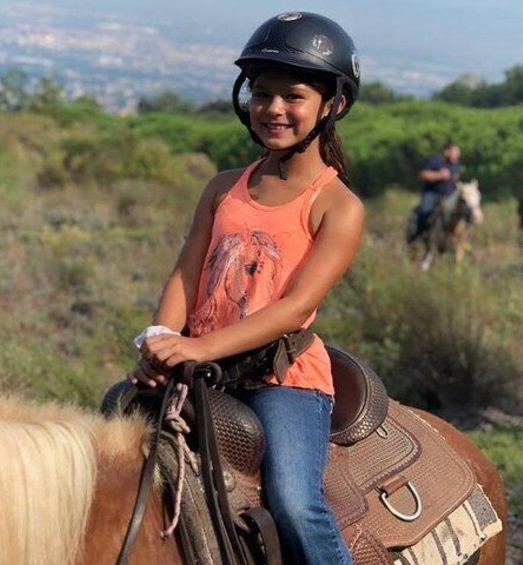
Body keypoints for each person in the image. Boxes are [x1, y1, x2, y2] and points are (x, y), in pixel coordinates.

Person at [127, 12, 362, 565]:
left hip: (282, 380)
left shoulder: (337, 206)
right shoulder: (222, 188)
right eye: (262, 92)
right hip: (198, 366)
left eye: (293, 96)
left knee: (294, 502)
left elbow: (295, 307)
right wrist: (161, 341)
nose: (273, 108)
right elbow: (186, 273)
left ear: (334, 105)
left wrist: (198, 347)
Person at [406, 142, 461, 243]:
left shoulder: (455, 164)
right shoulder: (435, 161)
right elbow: (423, 174)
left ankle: (457, 237)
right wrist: (439, 175)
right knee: (425, 211)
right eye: (455, 152)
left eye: (458, 152)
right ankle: (418, 234)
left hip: (449, 195)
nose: (457, 154)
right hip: (433, 193)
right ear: (447, 151)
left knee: (464, 209)